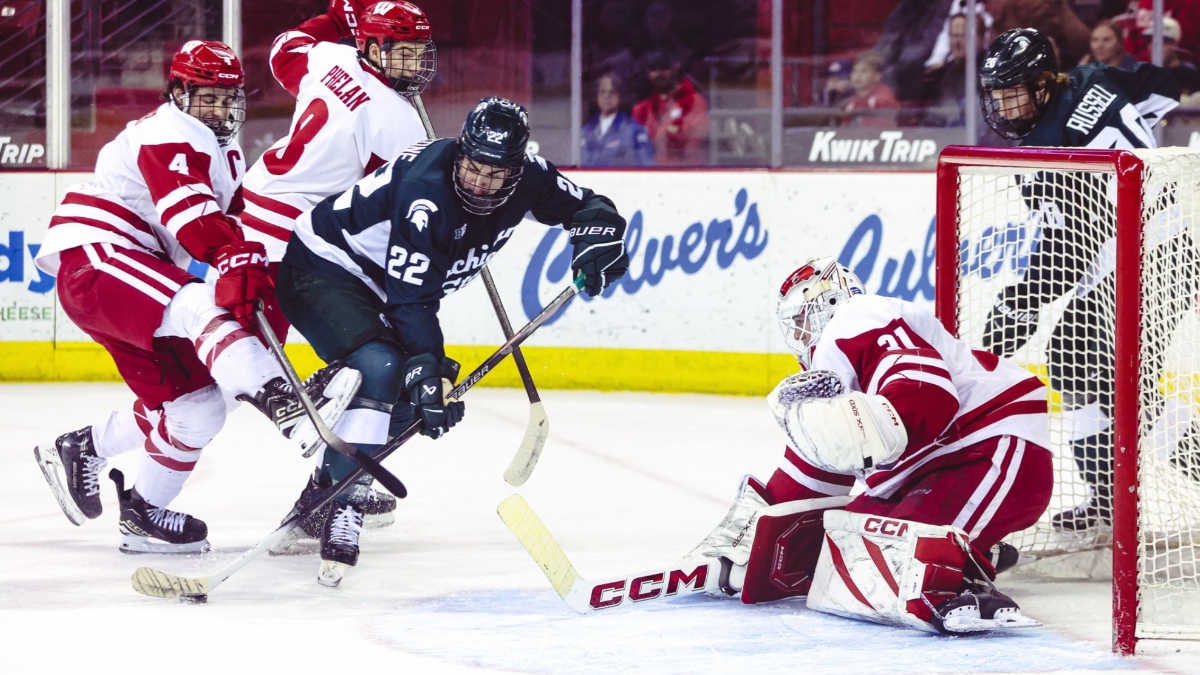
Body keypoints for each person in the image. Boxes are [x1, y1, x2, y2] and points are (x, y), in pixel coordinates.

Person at [276, 97, 629, 586]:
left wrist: (601, 230)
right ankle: (345, 501)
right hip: (323, 269)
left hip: (385, 291)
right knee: (382, 367)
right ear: (460, 152)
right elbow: (410, 304)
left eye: (495, 174)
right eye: (473, 167)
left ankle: (322, 496)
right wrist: (427, 371)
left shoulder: (530, 176)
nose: (480, 182)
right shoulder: (426, 193)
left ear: (516, 170)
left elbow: (586, 204)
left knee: (421, 400)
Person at [30, 40, 359, 554]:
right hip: (97, 259)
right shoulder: (168, 133)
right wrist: (233, 254)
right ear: (178, 92)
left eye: (227, 97)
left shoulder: (224, 151)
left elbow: (237, 223)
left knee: (201, 405)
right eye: (205, 96)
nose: (218, 108)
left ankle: (124, 491)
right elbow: (193, 221)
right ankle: (288, 404)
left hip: (137, 280)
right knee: (196, 304)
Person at [687, 257, 1051, 634]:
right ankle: (977, 552)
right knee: (844, 544)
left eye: (801, 319)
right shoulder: (829, 374)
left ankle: (963, 582)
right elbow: (810, 482)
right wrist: (746, 545)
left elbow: (930, 399)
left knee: (897, 562)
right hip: (932, 472)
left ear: (828, 304)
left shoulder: (860, 314)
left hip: (987, 446)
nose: (799, 333)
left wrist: (866, 422)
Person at [977, 28, 1190, 532]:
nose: (1005, 109)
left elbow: (1068, 250)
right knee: (1090, 371)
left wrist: (1017, 307)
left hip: (1140, 262)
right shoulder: (1097, 76)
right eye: (999, 97)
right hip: (1167, 249)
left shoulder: (1048, 148)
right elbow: (1170, 87)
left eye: (1014, 94)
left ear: (1043, 84)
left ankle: (1107, 500)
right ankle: (1106, 498)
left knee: (1091, 371)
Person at [240, 0, 436, 539]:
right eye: (402, 53)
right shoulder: (398, 123)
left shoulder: (329, 55)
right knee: (391, 364)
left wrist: (340, 17)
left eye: (419, 51)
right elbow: (398, 215)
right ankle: (335, 458)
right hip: (297, 239)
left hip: (252, 208)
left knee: (225, 368)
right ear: (371, 48)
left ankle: (342, 469)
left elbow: (284, 49)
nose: (414, 64)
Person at [631, 50, 709, 166]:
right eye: (653, 69)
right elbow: (635, 145)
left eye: (664, 68)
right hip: (652, 173)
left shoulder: (694, 101)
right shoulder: (641, 109)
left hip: (686, 172)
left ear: (675, 68)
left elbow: (690, 137)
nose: (658, 74)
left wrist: (661, 132)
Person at [581, 73, 654, 167]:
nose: (607, 96)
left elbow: (646, 166)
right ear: (597, 96)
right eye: (602, 92)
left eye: (612, 92)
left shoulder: (634, 130)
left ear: (619, 96)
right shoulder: (586, 131)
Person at [840, 52, 899, 128]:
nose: (857, 76)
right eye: (855, 71)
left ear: (876, 76)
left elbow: (879, 131)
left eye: (864, 71)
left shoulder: (882, 99)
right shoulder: (852, 103)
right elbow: (844, 130)